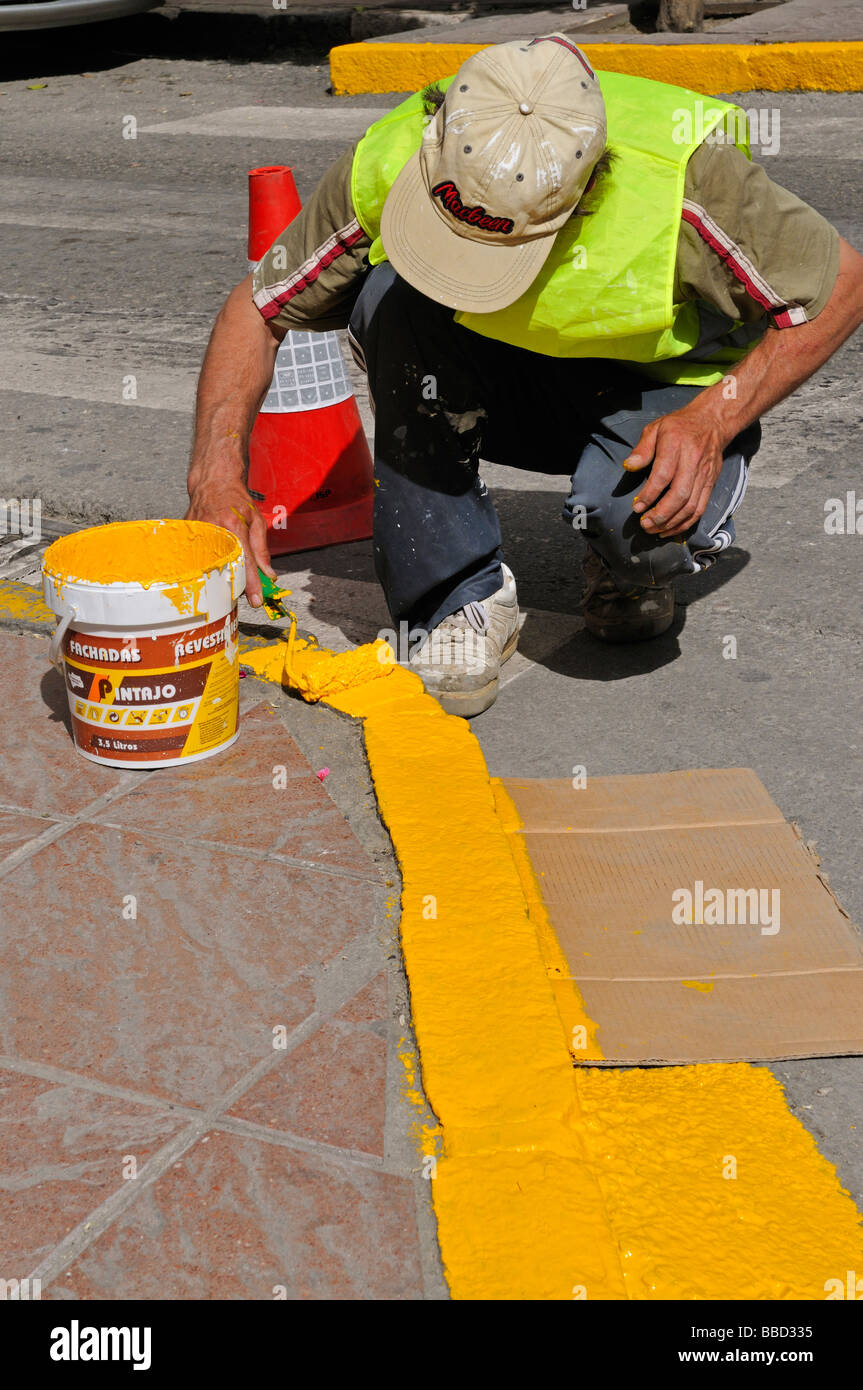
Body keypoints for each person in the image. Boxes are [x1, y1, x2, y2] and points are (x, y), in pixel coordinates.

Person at [186, 34, 863, 716]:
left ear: (588, 188)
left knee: (633, 525)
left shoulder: (686, 179)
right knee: (387, 299)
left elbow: (841, 288)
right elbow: (257, 309)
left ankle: (622, 553)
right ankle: (455, 598)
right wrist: (216, 476)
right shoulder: (395, 153)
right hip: (507, 380)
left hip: (656, 389)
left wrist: (712, 422)